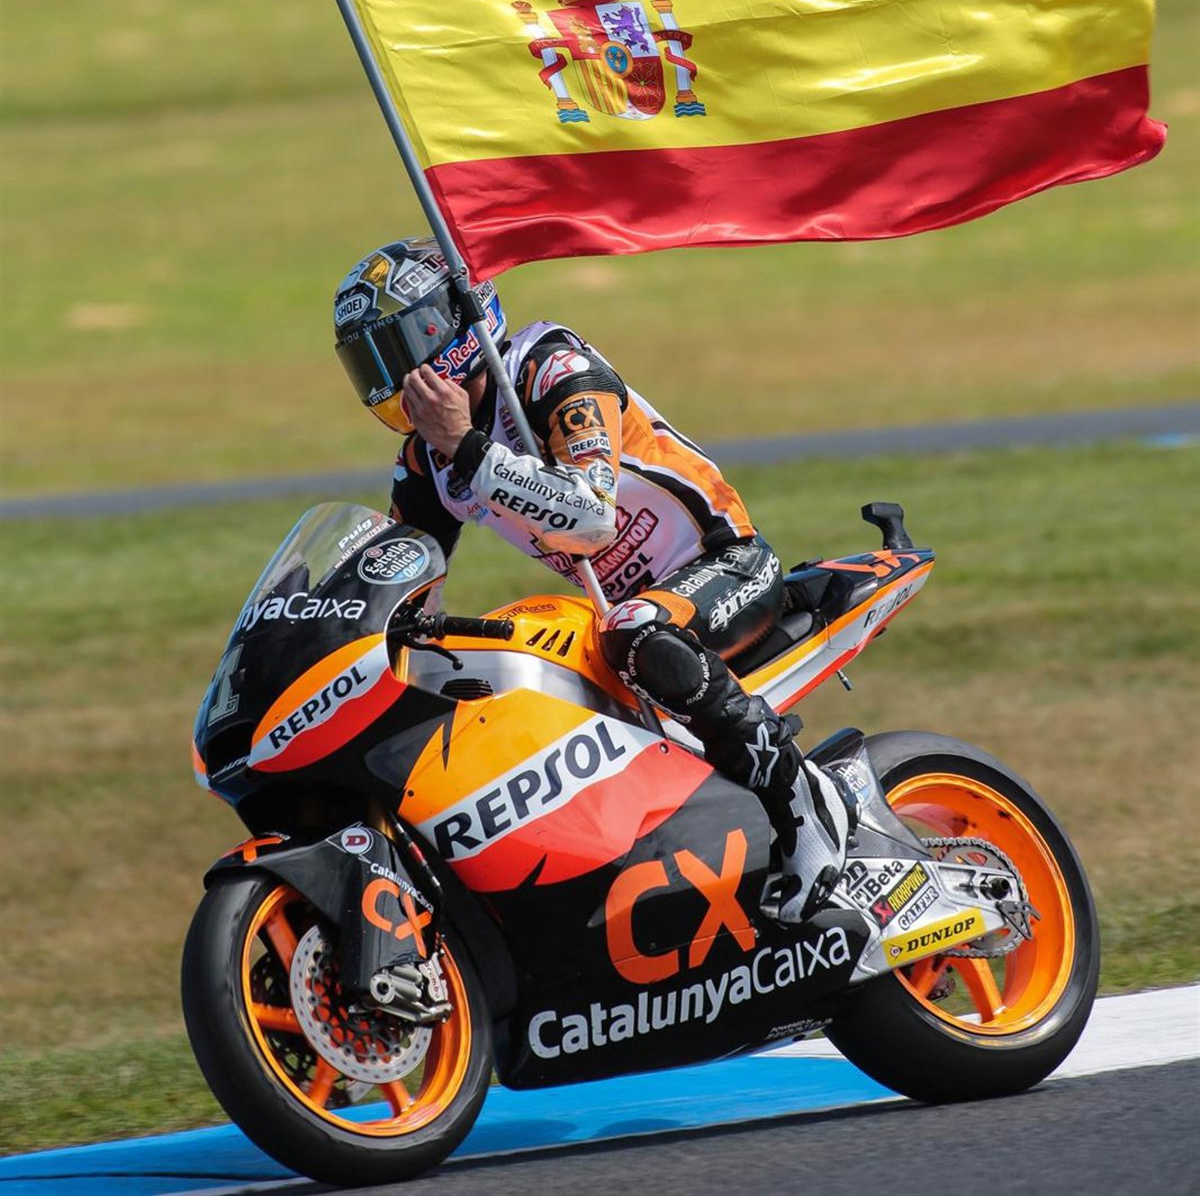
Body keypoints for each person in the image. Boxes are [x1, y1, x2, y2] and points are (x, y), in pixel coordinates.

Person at [333, 237, 852, 923]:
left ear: (450, 326)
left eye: (398, 349)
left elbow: (591, 518)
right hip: (623, 614)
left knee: (636, 631)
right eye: (370, 362)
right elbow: (404, 580)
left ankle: (802, 802)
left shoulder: (550, 366)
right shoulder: (426, 461)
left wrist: (470, 447)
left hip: (725, 564)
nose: (392, 378)